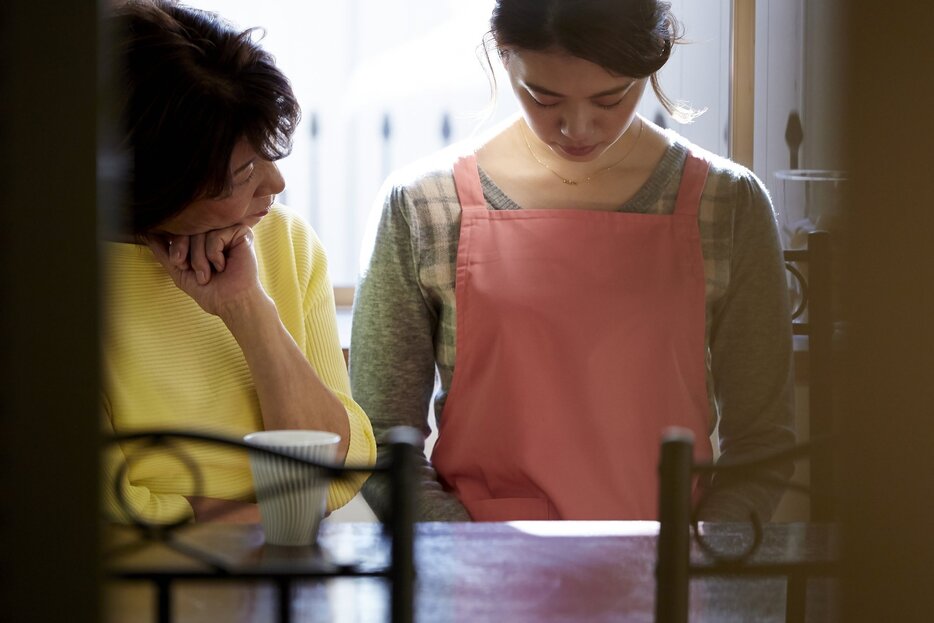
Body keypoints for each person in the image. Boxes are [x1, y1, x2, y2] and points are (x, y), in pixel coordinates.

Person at [351, 0, 795, 522]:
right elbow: (381, 440)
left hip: (671, 577)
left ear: (653, 64)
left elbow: (764, 439)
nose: (578, 128)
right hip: (486, 583)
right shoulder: (424, 207)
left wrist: (702, 556)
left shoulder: (728, 205)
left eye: (611, 98)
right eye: (544, 98)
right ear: (503, 54)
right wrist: (467, 553)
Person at [101, 0, 376, 524]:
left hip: (301, 558)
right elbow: (113, 517)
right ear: (158, 186)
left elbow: (343, 470)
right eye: (243, 172)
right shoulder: (54, 281)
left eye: (266, 154)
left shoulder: (285, 242)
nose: (277, 184)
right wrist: (283, 507)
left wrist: (247, 307)